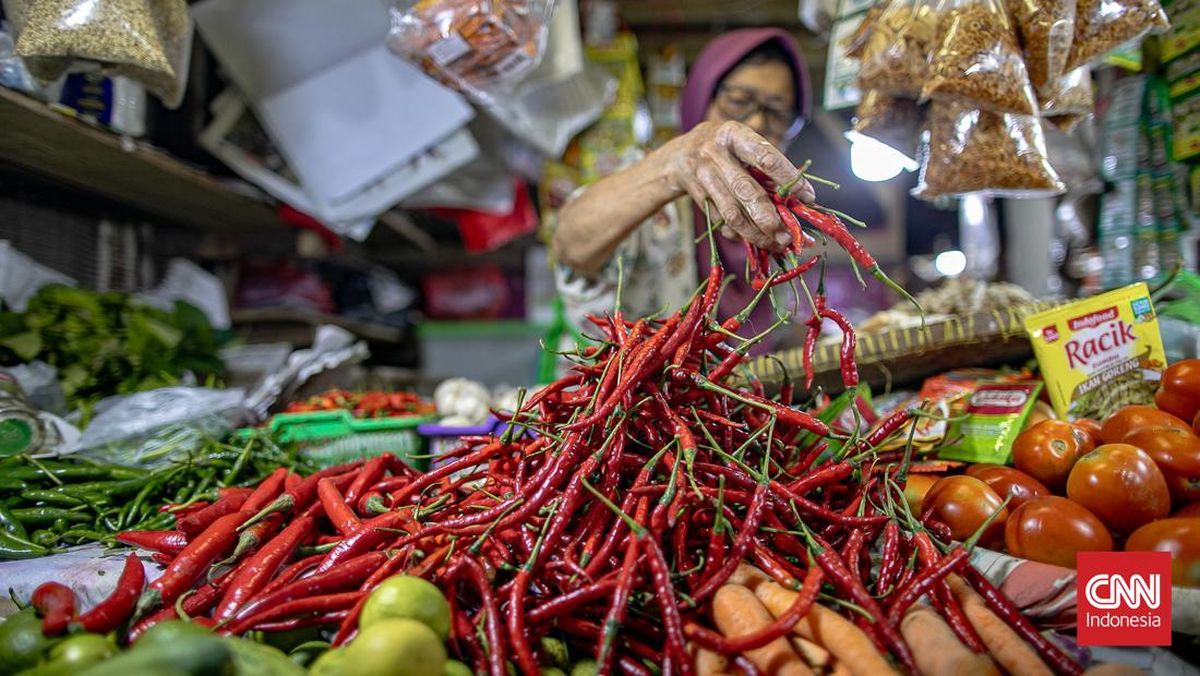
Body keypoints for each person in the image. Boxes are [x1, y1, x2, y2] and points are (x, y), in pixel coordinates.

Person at [552, 28, 814, 351]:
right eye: (737, 101)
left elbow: (770, 333)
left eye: (777, 113)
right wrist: (672, 167)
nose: (758, 124)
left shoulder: (772, 224)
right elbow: (570, 244)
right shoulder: (651, 184)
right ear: (701, 97)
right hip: (618, 384)